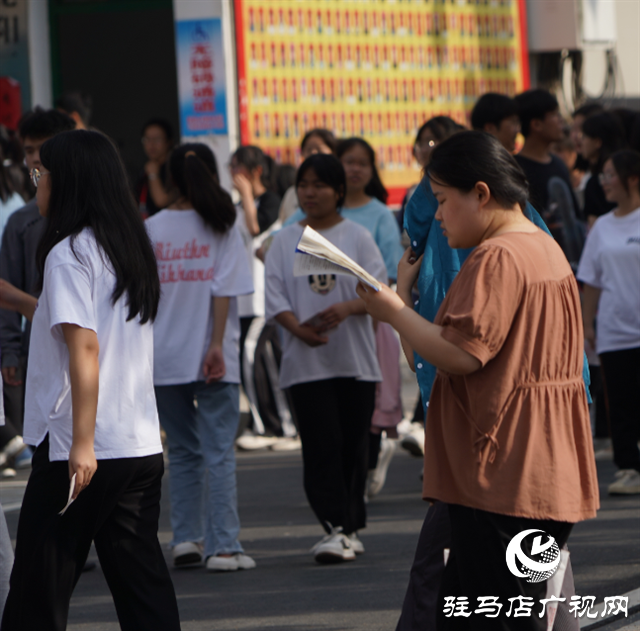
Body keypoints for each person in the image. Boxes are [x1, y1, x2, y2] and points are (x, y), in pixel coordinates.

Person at [360, 131, 599, 630]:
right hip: (539, 461)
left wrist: (393, 311)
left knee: (504, 614)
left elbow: (461, 354)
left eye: (444, 201)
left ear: (482, 194)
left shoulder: (497, 257)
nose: (439, 216)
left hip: (503, 472)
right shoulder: (543, 247)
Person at [1, 130, 181, 630]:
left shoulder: (69, 255)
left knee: (37, 591)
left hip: (79, 451)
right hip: (138, 445)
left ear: (67, 184)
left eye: (41, 174)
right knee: (143, 587)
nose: (36, 183)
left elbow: (85, 348)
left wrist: (81, 443)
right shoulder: (128, 247)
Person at [265, 153, 387, 563]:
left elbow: (379, 289)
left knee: (353, 445)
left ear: (338, 191)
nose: (310, 192)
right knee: (320, 446)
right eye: (304, 185)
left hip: (354, 363)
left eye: (319, 185)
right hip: (306, 365)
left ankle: (348, 528)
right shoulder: (285, 240)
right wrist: (297, 329)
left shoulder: (356, 236)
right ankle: (335, 527)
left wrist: (348, 309)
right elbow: (275, 295)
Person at [146, 143, 256, 571]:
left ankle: (186, 539)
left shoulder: (151, 227)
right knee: (218, 452)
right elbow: (224, 291)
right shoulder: (224, 224)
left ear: (171, 179)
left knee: (184, 451)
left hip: (163, 357)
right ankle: (224, 547)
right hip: (216, 357)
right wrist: (214, 345)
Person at [0, 108, 76, 475]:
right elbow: (5, 289)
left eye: (41, 149)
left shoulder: (93, 222)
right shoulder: (21, 222)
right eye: (28, 150)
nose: (33, 159)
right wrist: (11, 350)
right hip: (40, 353)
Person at [577, 150, 640, 495]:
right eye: (602, 175)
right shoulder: (602, 225)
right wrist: (587, 324)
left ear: (632, 178)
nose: (604, 182)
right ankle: (629, 467)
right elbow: (591, 280)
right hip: (615, 331)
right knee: (621, 401)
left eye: (610, 174)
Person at [514, 89, 580, 227]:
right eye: (554, 114)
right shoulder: (514, 169)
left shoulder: (559, 164)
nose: (561, 120)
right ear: (536, 124)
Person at [278, 129, 338, 223]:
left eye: (319, 149)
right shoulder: (291, 194)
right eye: (309, 149)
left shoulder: (340, 190)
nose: (313, 153)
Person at [580, 112, 626, 227]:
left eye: (584, 136)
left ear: (597, 142)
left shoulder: (594, 184)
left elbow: (594, 231)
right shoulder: (630, 172)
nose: (581, 142)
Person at [136, 118, 174, 218]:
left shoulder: (174, 168)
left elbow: (161, 201)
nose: (151, 144)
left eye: (157, 139)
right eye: (147, 139)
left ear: (169, 141)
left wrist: (153, 175)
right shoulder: (145, 169)